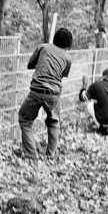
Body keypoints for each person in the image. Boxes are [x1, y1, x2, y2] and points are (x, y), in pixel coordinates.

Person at [18, 27, 72, 160]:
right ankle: (51, 155)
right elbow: (63, 75)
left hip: (36, 90)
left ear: (54, 39)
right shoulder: (67, 58)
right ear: (69, 44)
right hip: (54, 93)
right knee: (54, 122)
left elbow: (30, 64)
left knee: (25, 119)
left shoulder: (43, 48)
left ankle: (31, 155)